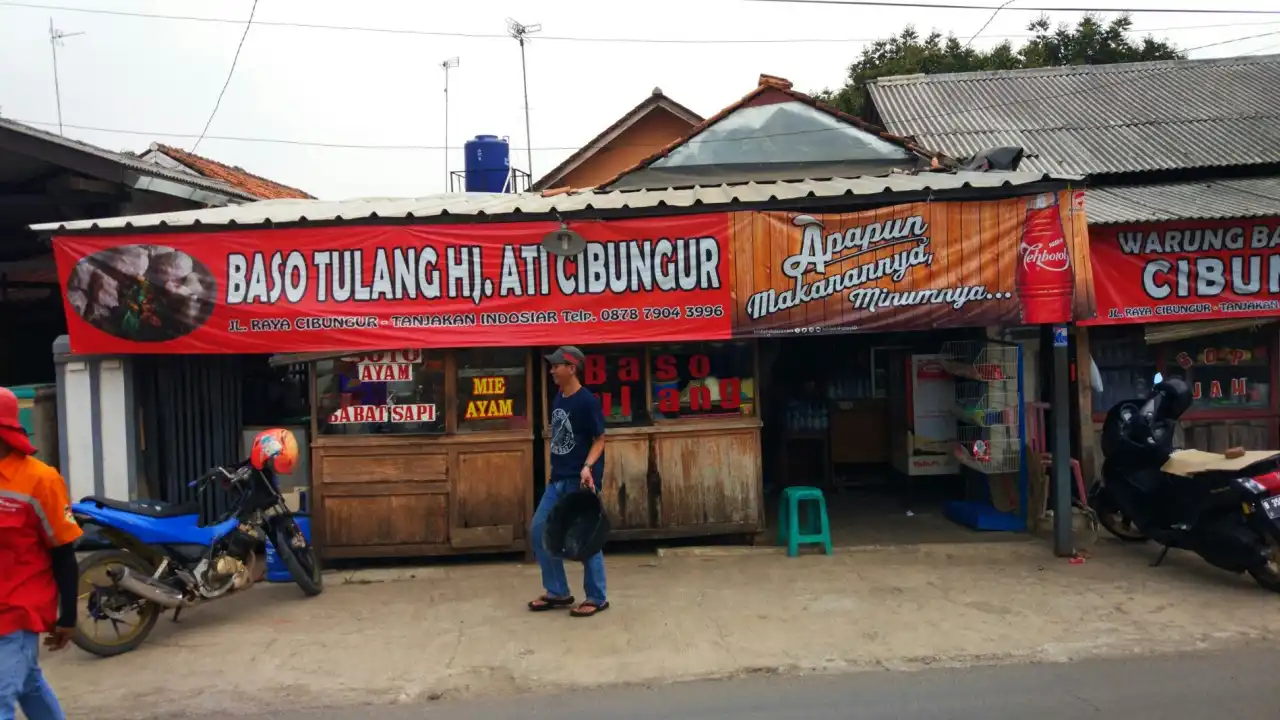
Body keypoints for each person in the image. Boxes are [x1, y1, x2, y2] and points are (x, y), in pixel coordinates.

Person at [0, 386, 82, 720]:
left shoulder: (40, 480)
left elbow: (64, 554)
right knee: (28, 683)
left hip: (17, 610)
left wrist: (68, 617)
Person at [528, 346, 609, 618]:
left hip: (580, 481)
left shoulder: (587, 402)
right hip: (558, 480)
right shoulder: (559, 397)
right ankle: (558, 591)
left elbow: (600, 439)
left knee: (585, 538)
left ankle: (597, 597)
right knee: (540, 530)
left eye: (556, 365)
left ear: (572, 368)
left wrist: (588, 467)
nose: (551, 370)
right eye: (551, 366)